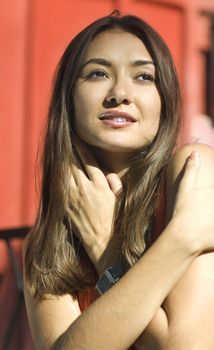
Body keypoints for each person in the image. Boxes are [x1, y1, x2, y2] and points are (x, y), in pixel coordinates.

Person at [23, 13, 214, 350]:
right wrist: (181, 240)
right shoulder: (47, 239)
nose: (120, 93)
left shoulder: (194, 169)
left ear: (164, 101)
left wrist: (107, 253)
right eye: (98, 73)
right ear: (68, 98)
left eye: (143, 76)